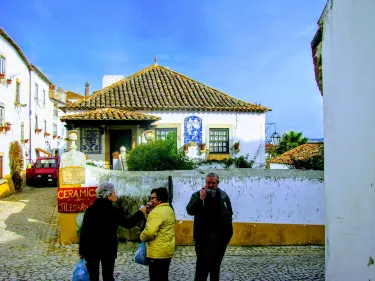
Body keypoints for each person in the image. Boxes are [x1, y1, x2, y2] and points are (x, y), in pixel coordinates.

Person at [79, 182, 146, 281]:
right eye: (114, 192)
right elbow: (127, 223)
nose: (116, 194)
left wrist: (82, 250)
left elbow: (84, 231)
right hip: (108, 248)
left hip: (91, 249)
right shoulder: (113, 210)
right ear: (108, 195)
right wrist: (140, 212)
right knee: (108, 276)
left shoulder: (91, 210)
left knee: (93, 277)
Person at [186, 172, 233, 281]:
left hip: (220, 239)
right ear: (205, 182)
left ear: (218, 183)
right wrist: (200, 199)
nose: (210, 185)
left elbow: (229, 213)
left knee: (215, 269)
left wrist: (227, 235)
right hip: (203, 240)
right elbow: (190, 210)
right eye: (208, 182)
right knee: (202, 269)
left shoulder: (223, 196)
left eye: (213, 183)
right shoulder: (197, 195)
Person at [140, 187, 175, 281]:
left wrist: (141, 236)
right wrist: (149, 213)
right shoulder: (169, 209)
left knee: (155, 277)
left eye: (152, 198)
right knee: (163, 276)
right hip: (166, 250)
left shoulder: (156, 212)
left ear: (159, 199)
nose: (150, 200)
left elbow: (149, 232)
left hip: (157, 252)